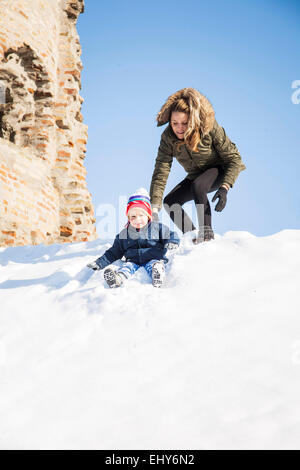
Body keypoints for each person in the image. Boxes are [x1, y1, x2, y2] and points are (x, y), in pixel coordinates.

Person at [149, 87, 246, 244]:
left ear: (192, 120)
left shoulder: (208, 127)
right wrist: (154, 207)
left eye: (184, 123)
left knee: (198, 186)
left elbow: (234, 159)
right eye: (175, 123)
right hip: (196, 175)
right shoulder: (168, 138)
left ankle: (207, 236)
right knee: (170, 202)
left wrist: (225, 187)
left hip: (220, 168)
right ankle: (194, 238)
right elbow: (161, 170)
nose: (179, 128)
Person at [87, 188, 180, 288]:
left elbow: (171, 235)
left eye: (141, 215)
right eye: (133, 216)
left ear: (148, 215)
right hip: (133, 261)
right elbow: (114, 252)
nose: (137, 219)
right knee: (126, 268)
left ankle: (157, 275)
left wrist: (172, 242)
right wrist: (100, 263)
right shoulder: (124, 234)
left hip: (154, 257)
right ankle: (118, 279)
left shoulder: (156, 228)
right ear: (128, 218)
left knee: (153, 265)